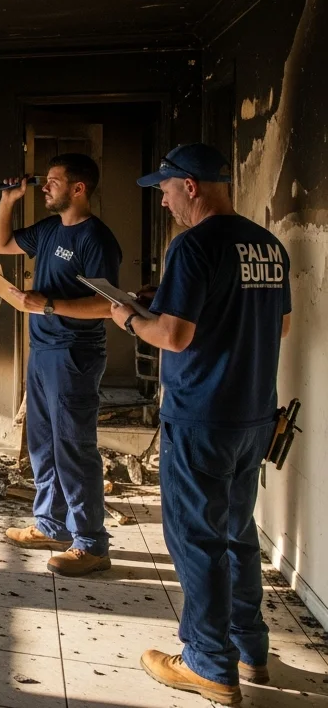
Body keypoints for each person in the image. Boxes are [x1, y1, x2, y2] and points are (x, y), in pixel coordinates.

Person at [113, 143, 291, 706]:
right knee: (236, 533)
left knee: (196, 538)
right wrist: (164, 304)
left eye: (165, 189)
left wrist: (127, 317)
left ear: (190, 186)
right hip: (255, 414)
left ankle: (208, 663)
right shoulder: (268, 244)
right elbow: (279, 326)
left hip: (200, 415)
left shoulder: (192, 246)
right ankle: (249, 648)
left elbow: (174, 336)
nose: (163, 201)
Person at [0, 153, 122, 576]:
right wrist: (7, 201)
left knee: (73, 449)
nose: (44, 187)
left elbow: (108, 305)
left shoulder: (95, 239)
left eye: (53, 181)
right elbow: (0, 244)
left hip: (74, 354)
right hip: (44, 350)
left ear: (78, 189)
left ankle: (91, 543)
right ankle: (52, 525)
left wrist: (47, 304)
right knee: (43, 445)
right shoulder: (48, 229)